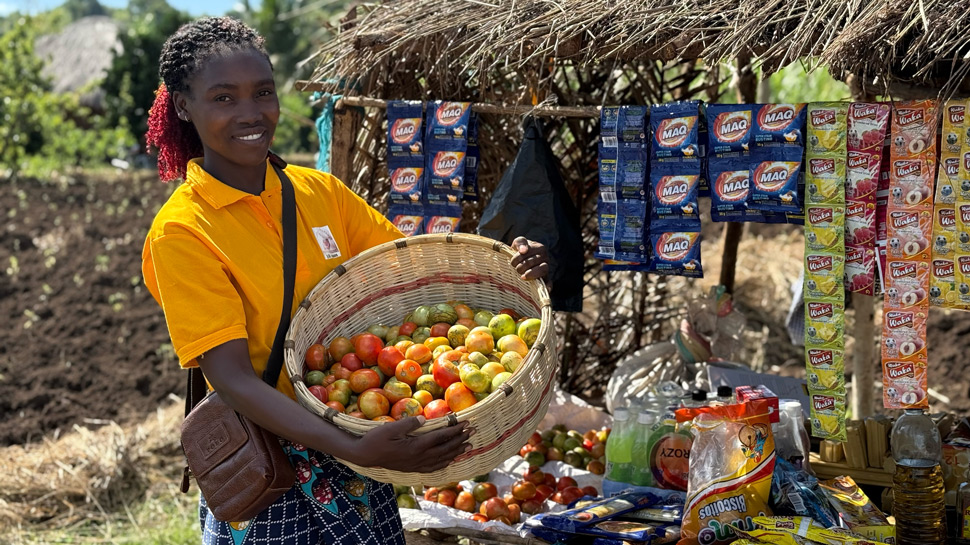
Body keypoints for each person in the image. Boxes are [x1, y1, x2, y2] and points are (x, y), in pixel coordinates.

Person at [141, 16, 551, 545]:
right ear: (182, 106)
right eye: (224, 98)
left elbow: (416, 269)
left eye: (263, 93)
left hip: (360, 454)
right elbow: (232, 377)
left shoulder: (317, 193)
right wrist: (352, 446)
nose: (251, 114)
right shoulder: (183, 231)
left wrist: (508, 261)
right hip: (277, 478)